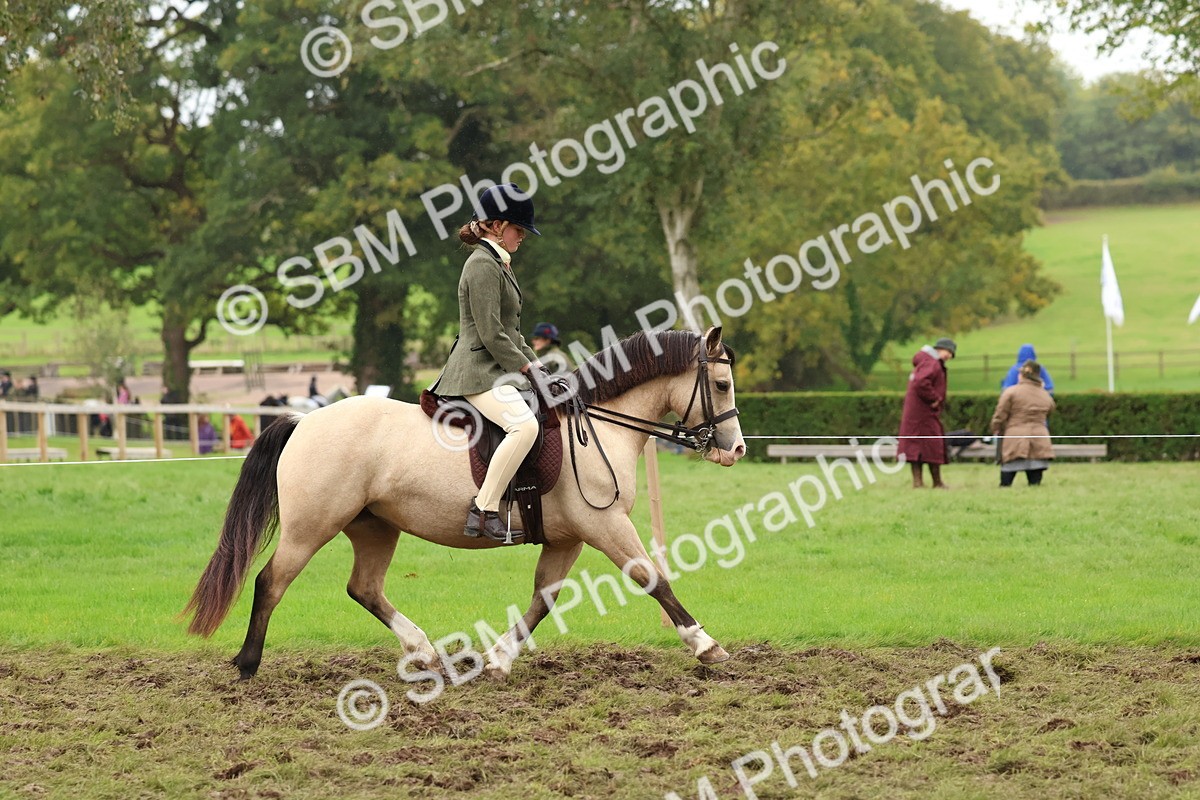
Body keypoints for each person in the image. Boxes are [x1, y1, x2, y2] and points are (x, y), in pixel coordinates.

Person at [430, 182, 544, 542]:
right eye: (518, 228)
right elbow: (492, 333)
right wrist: (525, 368)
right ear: (496, 226)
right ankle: (484, 510)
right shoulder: (481, 265)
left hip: (495, 369)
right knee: (524, 428)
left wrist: (537, 365)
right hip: (476, 372)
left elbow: (513, 330)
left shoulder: (499, 263)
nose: (522, 236)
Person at [898, 338, 956, 489]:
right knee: (933, 446)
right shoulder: (932, 363)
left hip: (916, 414)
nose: (949, 356)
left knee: (915, 448)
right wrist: (934, 398)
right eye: (948, 352)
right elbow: (921, 382)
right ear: (940, 349)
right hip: (925, 414)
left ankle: (918, 482)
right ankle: (936, 482)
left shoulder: (925, 361)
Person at [991, 360, 1055, 487]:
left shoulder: (1011, 392)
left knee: (1007, 476)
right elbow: (1050, 410)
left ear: (1021, 375)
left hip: (1015, 435)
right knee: (1035, 481)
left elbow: (1000, 414)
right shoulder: (1045, 395)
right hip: (1039, 436)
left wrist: (995, 427)